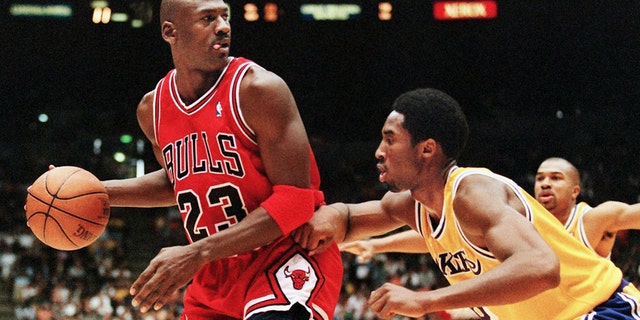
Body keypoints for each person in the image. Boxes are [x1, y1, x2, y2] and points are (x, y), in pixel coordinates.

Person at [293, 88, 640, 319]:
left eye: (390, 140)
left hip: (602, 309)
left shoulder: (473, 193)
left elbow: (541, 267)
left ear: (427, 149)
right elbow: (352, 218)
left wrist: (425, 300)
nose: (379, 152)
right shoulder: (411, 205)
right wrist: (326, 218)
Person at [96, 0, 343, 318]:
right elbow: (181, 181)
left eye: (225, 16)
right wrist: (97, 192)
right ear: (171, 32)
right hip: (214, 276)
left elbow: (297, 201)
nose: (224, 26)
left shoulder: (258, 89)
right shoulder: (152, 110)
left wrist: (195, 253)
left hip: (284, 257)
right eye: (208, 18)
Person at [341, 157, 640, 262]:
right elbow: (446, 237)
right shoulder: (519, 215)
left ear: (576, 190)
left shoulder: (593, 219)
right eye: (540, 178)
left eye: (556, 179)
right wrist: (377, 245)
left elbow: (632, 214)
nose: (545, 184)